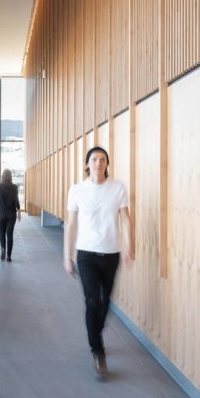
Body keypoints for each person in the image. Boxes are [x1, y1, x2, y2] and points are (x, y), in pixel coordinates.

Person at [63, 146, 134, 379]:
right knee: (93, 301)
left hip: (111, 253)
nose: (98, 163)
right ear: (87, 164)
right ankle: (97, 350)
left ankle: (96, 330)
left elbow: (126, 219)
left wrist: (128, 245)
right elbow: (71, 225)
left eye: (102, 159)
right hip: (86, 254)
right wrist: (67, 256)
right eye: (94, 159)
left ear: (107, 164)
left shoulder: (117, 188)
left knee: (105, 302)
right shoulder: (77, 190)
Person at [0, 169, 21, 261]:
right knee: (10, 234)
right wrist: (19, 211)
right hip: (11, 213)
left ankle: (3, 249)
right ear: (10, 176)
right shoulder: (14, 187)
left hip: (1, 213)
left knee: (2, 233)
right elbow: (16, 200)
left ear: (2, 176)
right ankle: (9, 256)